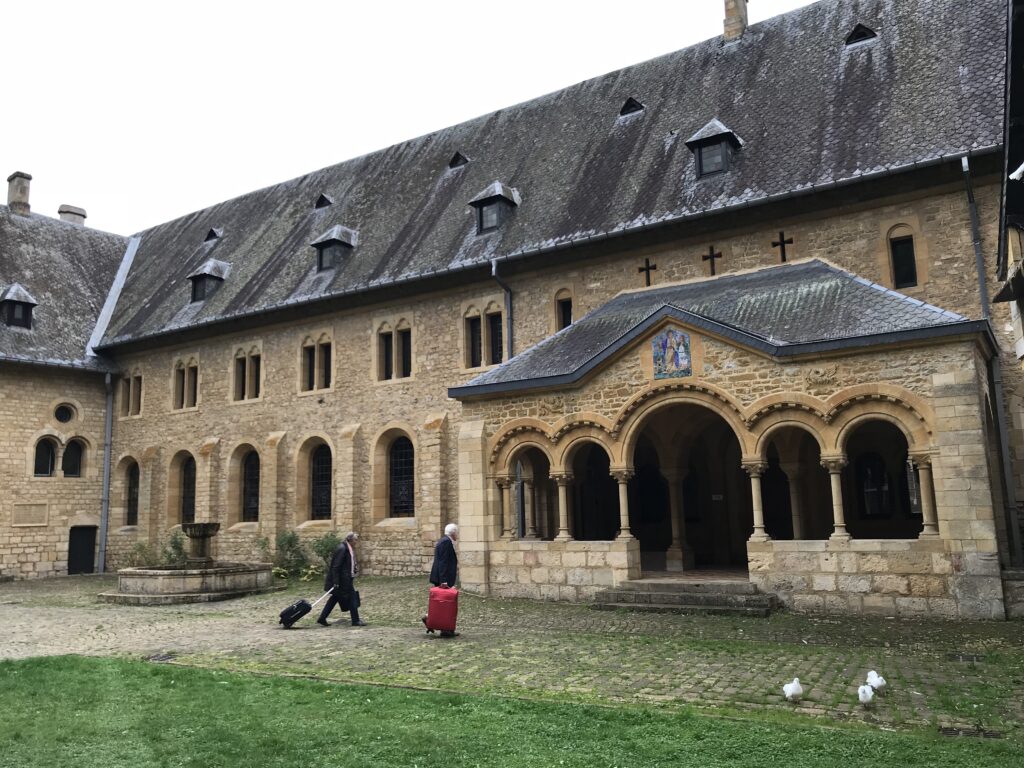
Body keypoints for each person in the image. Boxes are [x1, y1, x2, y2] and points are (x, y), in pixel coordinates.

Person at [317, 531, 366, 627]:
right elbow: (336, 567)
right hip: (342, 581)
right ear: (350, 540)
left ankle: (322, 618)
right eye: (355, 540)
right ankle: (355, 620)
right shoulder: (343, 549)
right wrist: (336, 582)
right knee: (352, 597)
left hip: (345, 579)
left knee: (334, 598)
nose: (356, 542)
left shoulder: (347, 548)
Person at [425, 523, 459, 637]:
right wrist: (444, 581)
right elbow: (443, 562)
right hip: (442, 578)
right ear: (453, 533)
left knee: (442, 602)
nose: (457, 535)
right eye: (456, 533)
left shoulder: (444, 540)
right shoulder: (446, 542)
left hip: (441, 576)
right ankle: (442, 627)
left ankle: (445, 628)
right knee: (444, 603)